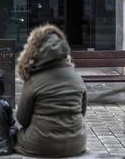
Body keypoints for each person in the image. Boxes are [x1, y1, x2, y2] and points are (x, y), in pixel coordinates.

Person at [15, 24, 87, 157]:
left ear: (35, 50)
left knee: (13, 133)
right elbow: (82, 113)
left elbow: (22, 119)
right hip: (77, 143)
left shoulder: (34, 79)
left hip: (41, 144)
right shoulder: (77, 77)